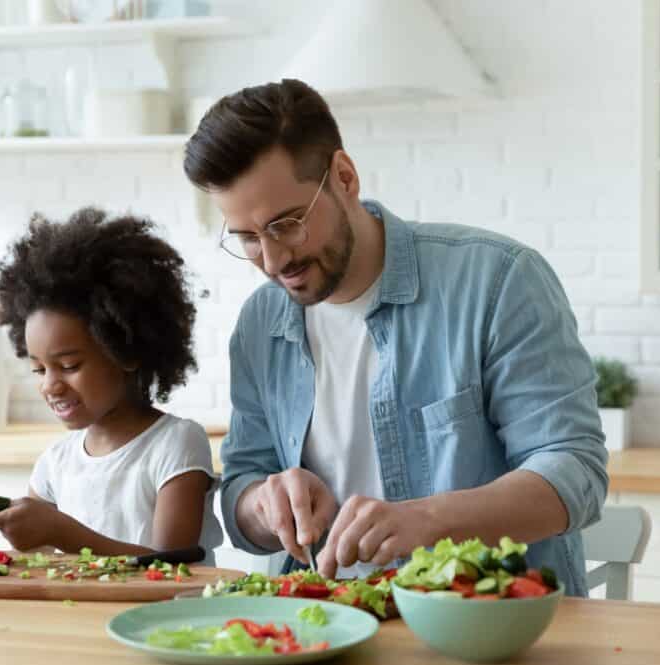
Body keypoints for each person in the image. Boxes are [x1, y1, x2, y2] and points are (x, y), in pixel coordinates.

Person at [182, 79, 607, 594]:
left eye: (287, 223)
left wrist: (429, 520)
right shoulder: (260, 324)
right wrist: (264, 503)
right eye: (248, 239)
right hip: (329, 626)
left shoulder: (498, 280)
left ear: (344, 177)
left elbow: (574, 472)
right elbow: (242, 487)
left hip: (488, 627)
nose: (273, 261)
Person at [0, 207, 222, 557]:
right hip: (77, 615)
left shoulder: (175, 444)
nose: (50, 385)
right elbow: (36, 567)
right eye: (40, 369)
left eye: (68, 365)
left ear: (127, 351)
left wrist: (61, 531)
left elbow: (173, 565)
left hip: (159, 613)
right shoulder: (56, 463)